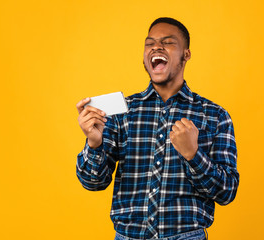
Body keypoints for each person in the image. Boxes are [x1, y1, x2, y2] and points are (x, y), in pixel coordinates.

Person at [76, 17, 239, 240]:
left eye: (168, 42)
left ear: (186, 54)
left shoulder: (215, 115)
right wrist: (94, 143)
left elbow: (227, 192)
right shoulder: (122, 111)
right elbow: (93, 182)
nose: (156, 47)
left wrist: (193, 155)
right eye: (150, 43)